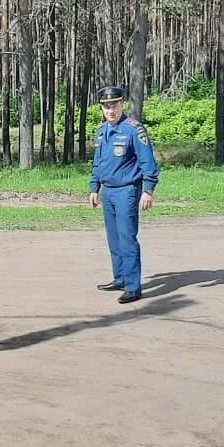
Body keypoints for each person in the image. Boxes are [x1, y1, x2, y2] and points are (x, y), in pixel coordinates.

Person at [88, 86, 160, 305]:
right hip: (108, 191)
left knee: (127, 238)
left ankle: (132, 286)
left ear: (122, 105)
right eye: (106, 106)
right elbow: (98, 163)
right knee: (114, 239)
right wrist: (94, 188)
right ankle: (120, 278)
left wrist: (148, 190)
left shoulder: (133, 129)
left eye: (114, 105)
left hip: (127, 190)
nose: (111, 110)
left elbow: (148, 162)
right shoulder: (102, 131)